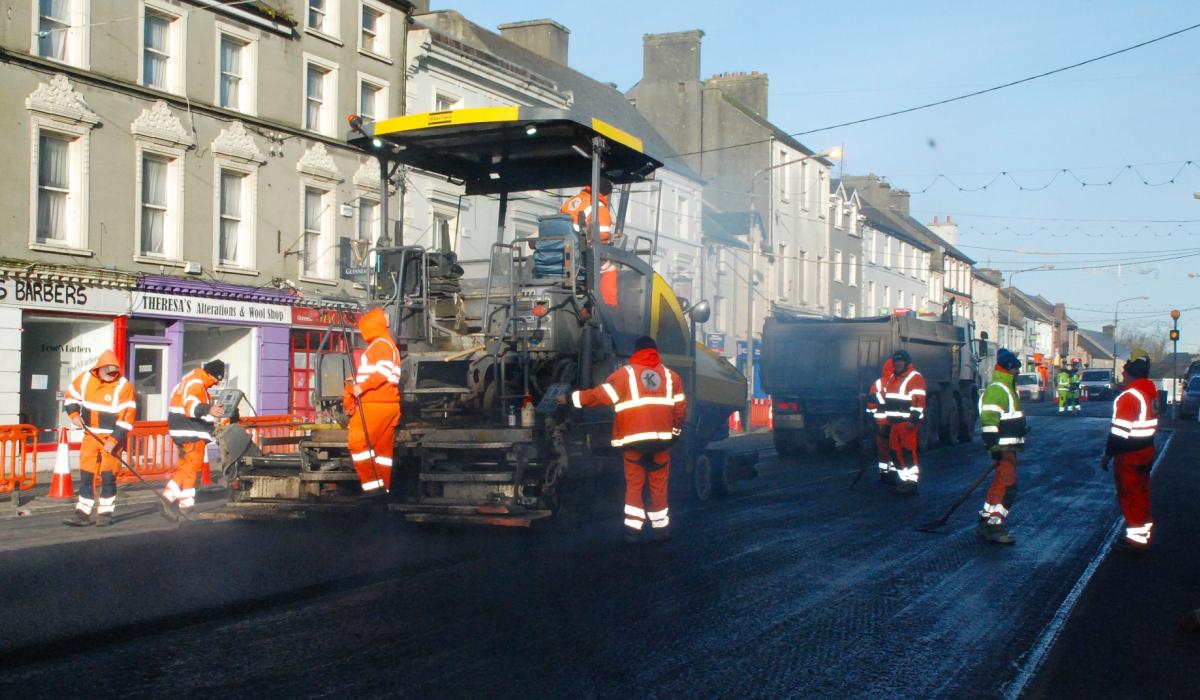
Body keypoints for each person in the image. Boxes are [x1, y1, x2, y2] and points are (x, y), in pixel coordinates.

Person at [561, 336, 686, 542]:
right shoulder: (671, 377)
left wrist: (570, 398)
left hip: (633, 442)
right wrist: (674, 434)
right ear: (655, 352)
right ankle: (660, 529)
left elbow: (599, 396)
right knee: (659, 485)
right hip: (661, 442)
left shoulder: (624, 375)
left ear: (635, 352)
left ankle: (633, 531)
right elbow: (680, 410)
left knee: (635, 484)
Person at [62, 351, 136, 527]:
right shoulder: (85, 379)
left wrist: (114, 440)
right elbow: (71, 396)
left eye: (114, 372)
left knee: (108, 476)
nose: (112, 375)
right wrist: (73, 414)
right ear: (99, 369)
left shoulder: (124, 386)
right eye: (109, 372)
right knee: (87, 475)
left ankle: (105, 514)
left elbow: (127, 417)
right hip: (90, 436)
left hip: (112, 438)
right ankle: (82, 514)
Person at [1100, 349, 1158, 551]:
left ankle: (1136, 539)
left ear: (1131, 372)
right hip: (1147, 450)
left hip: (1129, 455)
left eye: (1125, 372)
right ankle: (1144, 531)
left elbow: (1118, 433)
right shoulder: (1149, 393)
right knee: (1141, 492)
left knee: (1129, 494)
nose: (1122, 375)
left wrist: (1108, 454)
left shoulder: (1129, 397)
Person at [344, 307, 401, 497]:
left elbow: (382, 372)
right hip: (387, 403)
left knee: (358, 442)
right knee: (381, 451)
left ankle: (372, 487)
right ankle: (383, 488)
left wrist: (361, 387)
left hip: (374, 403)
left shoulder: (380, 345)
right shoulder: (387, 344)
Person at [162, 360, 226, 519]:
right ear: (212, 374)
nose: (216, 384)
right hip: (191, 432)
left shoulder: (187, 381)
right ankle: (186, 506)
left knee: (184, 467)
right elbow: (191, 407)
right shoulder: (197, 384)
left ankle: (168, 497)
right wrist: (209, 409)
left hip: (181, 431)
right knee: (192, 469)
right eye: (217, 379)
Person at [978, 348, 1027, 545]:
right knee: (1008, 487)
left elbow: (1008, 418)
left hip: (1007, 448)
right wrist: (994, 446)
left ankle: (985, 520)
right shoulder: (999, 388)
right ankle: (994, 527)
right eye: (1016, 369)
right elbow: (989, 418)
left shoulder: (1007, 388)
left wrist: (1020, 430)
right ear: (1009, 368)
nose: (1018, 372)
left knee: (999, 484)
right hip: (1003, 449)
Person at [561, 179, 619, 305]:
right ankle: (609, 307)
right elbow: (602, 235)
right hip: (579, 253)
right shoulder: (598, 206)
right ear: (605, 193)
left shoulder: (571, 201)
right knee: (609, 269)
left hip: (563, 249)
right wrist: (610, 238)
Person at [881, 350, 926, 494]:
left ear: (906, 362)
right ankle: (904, 479)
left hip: (907, 423)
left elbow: (919, 401)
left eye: (900, 361)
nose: (898, 363)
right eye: (896, 361)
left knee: (907, 453)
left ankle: (911, 482)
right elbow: (888, 399)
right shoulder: (894, 378)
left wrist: (913, 419)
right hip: (895, 423)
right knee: (895, 452)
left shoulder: (914, 378)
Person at [865, 358, 896, 483]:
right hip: (896, 422)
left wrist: (871, 417)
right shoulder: (901, 382)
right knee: (895, 447)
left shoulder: (878, 383)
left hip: (881, 422)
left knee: (883, 448)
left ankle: (884, 473)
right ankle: (894, 472)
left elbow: (871, 404)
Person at [560, 178, 614, 245]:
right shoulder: (599, 207)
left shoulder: (570, 200)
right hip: (579, 248)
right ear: (605, 194)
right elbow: (602, 236)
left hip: (560, 245)